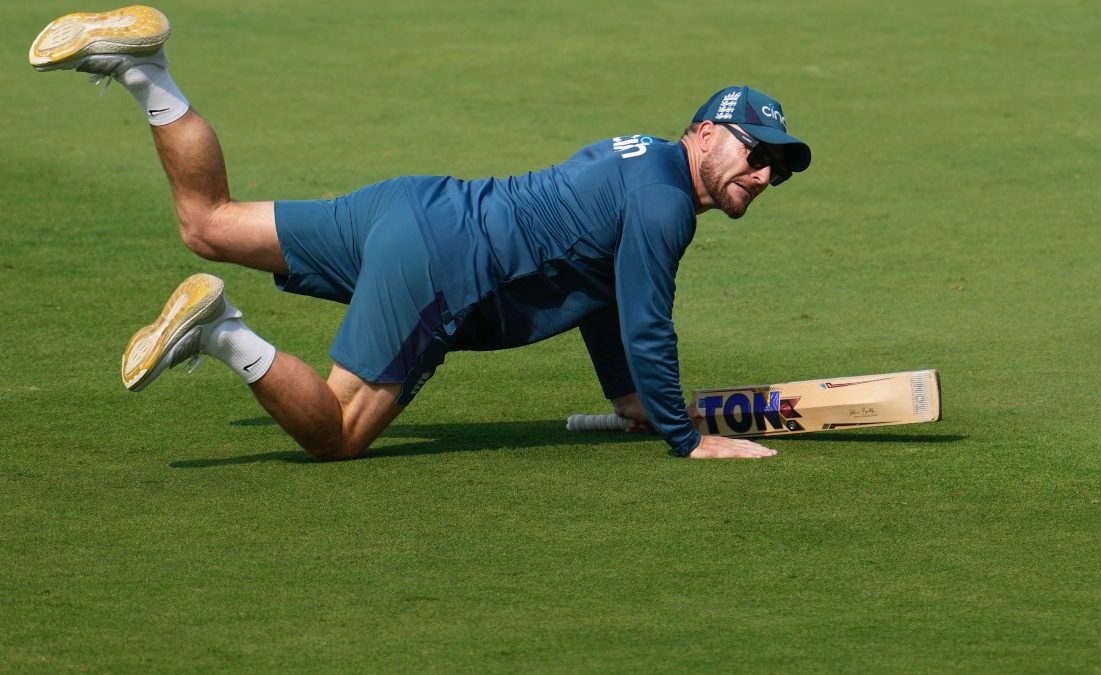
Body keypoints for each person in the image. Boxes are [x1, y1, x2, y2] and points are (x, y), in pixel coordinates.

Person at [30, 6, 811, 461]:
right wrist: (685, 437)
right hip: (441, 268)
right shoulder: (667, 203)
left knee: (209, 222)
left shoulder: (640, 161)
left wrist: (627, 397)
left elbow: (601, 291)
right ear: (703, 132)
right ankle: (222, 331)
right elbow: (645, 320)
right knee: (339, 434)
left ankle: (146, 71)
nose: (762, 173)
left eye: (776, 167)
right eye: (754, 151)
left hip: (414, 204)